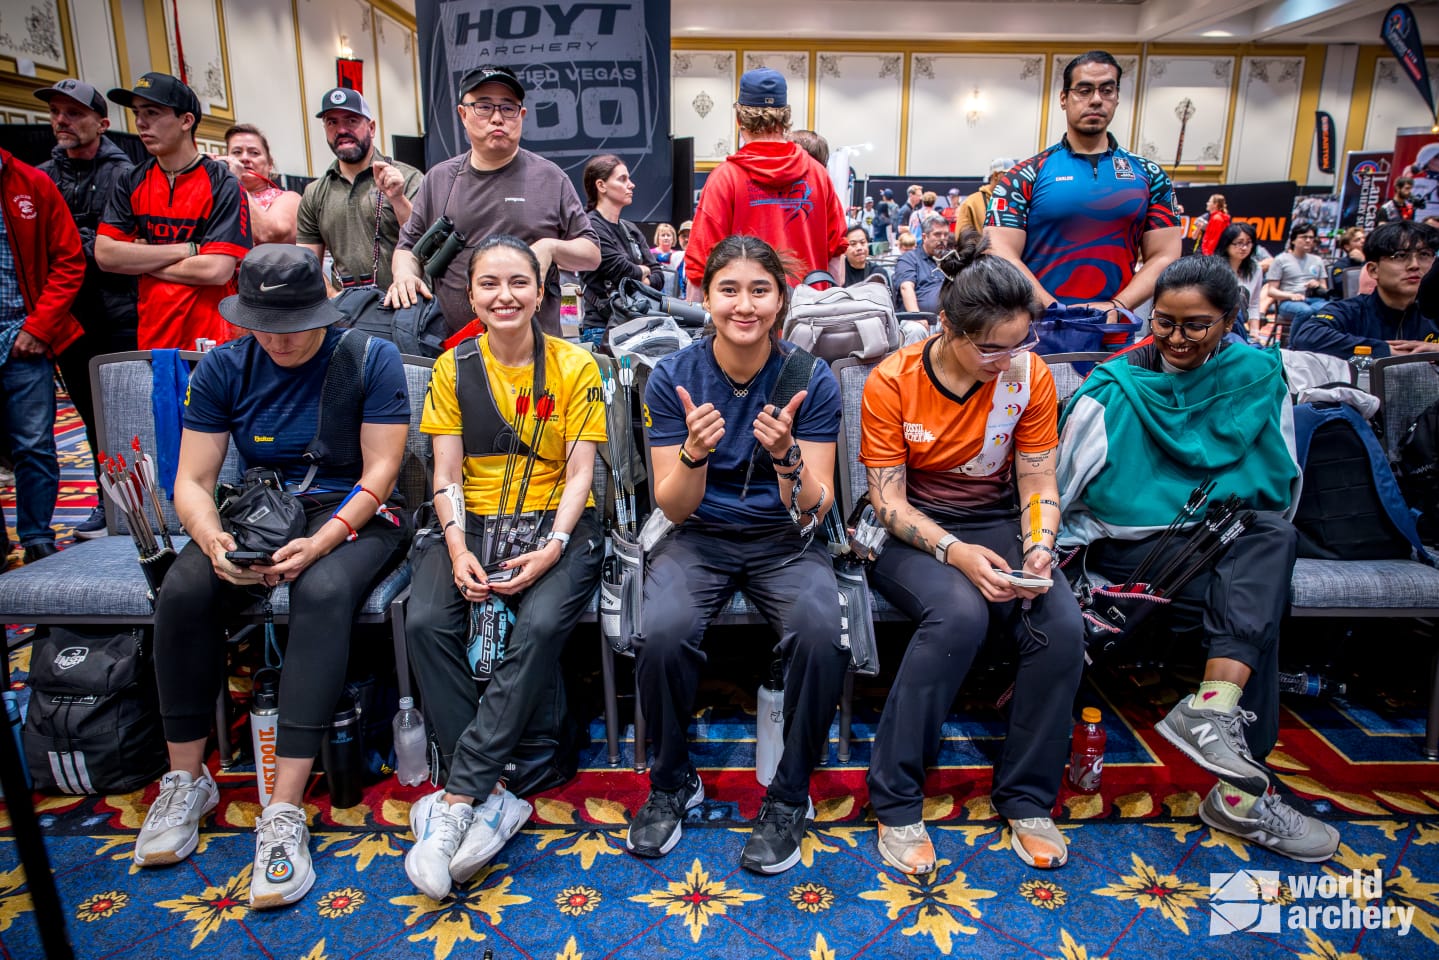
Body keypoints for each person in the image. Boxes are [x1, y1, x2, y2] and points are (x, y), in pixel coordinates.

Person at [132, 244, 411, 907]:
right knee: (184, 588)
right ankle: (185, 781)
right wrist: (212, 539)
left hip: (353, 514)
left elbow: (381, 472)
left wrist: (320, 542)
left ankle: (281, 809)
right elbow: (192, 481)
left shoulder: (370, 358)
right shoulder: (225, 367)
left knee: (323, 590)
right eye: (267, 326)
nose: (281, 340)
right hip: (260, 512)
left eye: (296, 325)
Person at [1057, 255, 1339, 863]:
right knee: (1256, 600)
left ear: (1230, 321)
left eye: (1196, 325)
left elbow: (1281, 478)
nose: (1177, 338)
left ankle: (1215, 713)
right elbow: (1061, 487)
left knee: (1266, 544)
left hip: (1225, 541)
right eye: (1164, 322)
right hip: (1137, 553)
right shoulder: (1114, 386)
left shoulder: (1257, 377)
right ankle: (1240, 793)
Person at [861, 231, 1084, 874]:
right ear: (946, 328)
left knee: (1060, 625)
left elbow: (1037, 479)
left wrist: (1039, 544)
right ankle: (896, 800)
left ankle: (1028, 798)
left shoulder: (1029, 376)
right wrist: (956, 552)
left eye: (1019, 343)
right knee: (958, 616)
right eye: (991, 347)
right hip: (913, 528)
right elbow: (887, 502)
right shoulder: (894, 380)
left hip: (995, 519)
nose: (1006, 359)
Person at [627, 235, 847, 875]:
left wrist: (786, 457)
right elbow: (674, 508)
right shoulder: (673, 377)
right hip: (700, 536)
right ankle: (672, 780)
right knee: (662, 632)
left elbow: (814, 509)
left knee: (820, 634)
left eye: (759, 290)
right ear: (706, 297)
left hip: (784, 539)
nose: (744, 305)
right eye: (729, 290)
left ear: (780, 301)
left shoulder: (811, 378)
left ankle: (790, 794)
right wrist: (694, 454)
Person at [402, 234, 606, 901]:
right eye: (489, 283)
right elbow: (445, 472)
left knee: (538, 625)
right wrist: (457, 547)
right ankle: (491, 795)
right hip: (472, 522)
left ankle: (458, 797)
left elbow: (580, 472)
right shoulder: (452, 366)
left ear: (540, 292)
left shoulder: (575, 365)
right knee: (427, 619)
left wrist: (554, 545)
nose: (504, 296)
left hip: (559, 523)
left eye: (519, 282)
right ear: (470, 294)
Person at [390, 65, 598, 337]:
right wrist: (405, 275)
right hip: (456, 348)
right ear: (463, 114)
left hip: (536, 346)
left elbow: (591, 254)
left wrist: (550, 248)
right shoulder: (439, 179)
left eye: (508, 108)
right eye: (484, 107)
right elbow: (408, 247)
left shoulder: (550, 178)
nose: (497, 118)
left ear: (521, 115)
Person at [988, 51, 1181, 316]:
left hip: (1114, 329)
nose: (1096, 99)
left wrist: (1117, 306)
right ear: (1064, 98)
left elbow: (1165, 255)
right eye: (1084, 90)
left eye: (1107, 90)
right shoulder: (1025, 175)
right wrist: (1054, 308)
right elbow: (1000, 251)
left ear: (1116, 97)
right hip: (1037, 327)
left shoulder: (1150, 175)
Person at [33, 77, 139, 540]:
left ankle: (139, 498)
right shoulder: (41, 177)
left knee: (127, 412)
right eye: (56, 112)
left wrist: (72, 242)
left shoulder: (125, 174)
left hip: (120, 312)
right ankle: (106, 498)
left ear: (102, 123)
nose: (62, 121)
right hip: (67, 316)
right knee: (90, 416)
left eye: (74, 113)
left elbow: (124, 248)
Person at [96, 72, 251, 350]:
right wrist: (190, 249)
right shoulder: (131, 181)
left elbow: (216, 270)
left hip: (211, 339)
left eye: (152, 112)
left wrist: (141, 260)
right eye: (137, 113)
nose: (141, 123)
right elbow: (106, 255)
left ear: (186, 120)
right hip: (153, 337)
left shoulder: (222, 182)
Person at [683, 69, 846, 298]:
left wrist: (696, 314)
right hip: (808, 313)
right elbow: (836, 261)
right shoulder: (819, 175)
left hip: (745, 314)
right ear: (786, 117)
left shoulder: (725, 178)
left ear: (739, 119)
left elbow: (700, 266)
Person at [0, 144, 85, 563]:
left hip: (24, 335)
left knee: (34, 444)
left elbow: (69, 260)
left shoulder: (31, 182)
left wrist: (39, 327)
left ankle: (36, 536)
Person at [298, 88, 421, 292]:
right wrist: (333, 298)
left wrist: (398, 199)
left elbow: (424, 243)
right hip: (343, 308)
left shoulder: (408, 178)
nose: (341, 130)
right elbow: (307, 264)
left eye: (351, 121)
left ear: (371, 128)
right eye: (332, 122)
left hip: (407, 304)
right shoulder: (314, 193)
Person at [1292, 221, 1439, 358]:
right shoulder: (1350, 311)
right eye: (1400, 255)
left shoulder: (1433, 315)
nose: (1415, 265)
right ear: (1373, 270)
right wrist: (1382, 350)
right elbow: (1307, 337)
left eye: (1424, 254)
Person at [577, 154, 662, 343]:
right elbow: (621, 270)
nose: (631, 185)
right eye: (622, 179)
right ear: (601, 185)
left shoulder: (630, 229)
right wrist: (642, 273)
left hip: (638, 327)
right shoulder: (589, 227)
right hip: (602, 330)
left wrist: (637, 276)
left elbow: (659, 276)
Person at [1264, 220, 1329, 334]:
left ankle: (1319, 339)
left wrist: (1317, 285)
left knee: (1331, 308)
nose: (1308, 240)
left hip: (1312, 299)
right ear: (1293, 240)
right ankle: (1294, 341)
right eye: (1304, 237)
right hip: (1288, 302)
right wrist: (1291, 295)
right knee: (1305, 311)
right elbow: (1271, 291)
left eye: (1311, 238)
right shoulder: (1281, 259)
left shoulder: (1317, 260)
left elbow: (1324, 288)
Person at [1216, 222, 1267, 339]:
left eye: (1248, 243)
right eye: (1239, 243)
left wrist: (1254, 331)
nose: (1244, 248)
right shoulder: (1215, 267)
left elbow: (1254, 303)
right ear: (1227, 244)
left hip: (1237, 323)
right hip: (1217, 321)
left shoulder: (1255, 269)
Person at [895, 217, 951, 313]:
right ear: (924, 237)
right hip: (920, 318)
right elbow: (906, 288)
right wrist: (917, 317)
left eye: (945, 235)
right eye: (937, 234)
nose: (942, 239)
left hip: (952, 317)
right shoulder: (909, 259)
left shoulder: (950, 259)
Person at [957, 158, 1014, 238]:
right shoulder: (972, 202)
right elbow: (962, 237)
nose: (1013, 178)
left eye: (1015, 175)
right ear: (995, 175)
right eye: (1009, 174)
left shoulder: (1016, 201)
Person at [1329, 226, 1367, 290]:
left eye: (1364, 238)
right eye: (1357, 240)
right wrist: (1363, 262)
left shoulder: (1372, 260)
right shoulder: (1340, 265)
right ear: (1347, 247)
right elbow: (1346, 287)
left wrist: (1364, 261)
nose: (1363, 241)